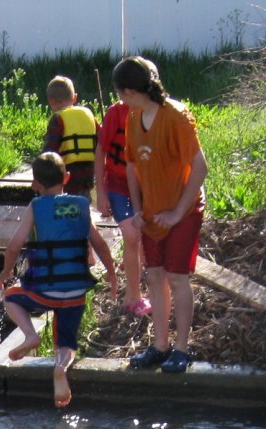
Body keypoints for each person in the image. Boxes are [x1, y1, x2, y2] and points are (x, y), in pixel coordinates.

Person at [0, 151, 118, 409]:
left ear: (34, 185)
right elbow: (101, 246)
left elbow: (13, 247)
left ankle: (30, 335)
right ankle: (61, 367)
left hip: (43, 291)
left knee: (9, 297)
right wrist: (112, 274)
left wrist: (5, 273)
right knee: (66, 341)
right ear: (67, 177)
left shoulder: (35, 206)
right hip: (75, 291)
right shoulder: (82, 205)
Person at [115, 56, 208, 375]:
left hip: (183, 210)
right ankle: (160, 345)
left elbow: (200, 167)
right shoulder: (133, 117)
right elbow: (131, 166)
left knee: (177, 278)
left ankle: (182, 348)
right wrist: (138, 209)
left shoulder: (177, 116)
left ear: (128, 90)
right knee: (154, 276)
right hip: (152, 213)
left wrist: (177, 212)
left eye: (120, 94)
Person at [94, 62, 155, 319]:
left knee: (145, 239)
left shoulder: (155, 114)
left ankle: (152, 291)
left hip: (147, 188)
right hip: (118, 186)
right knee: (131, 236)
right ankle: (133, 295)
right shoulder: (115, 114)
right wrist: (101, 192)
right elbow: (101, 152)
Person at [41, 76, 99, 198]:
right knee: (83, 201)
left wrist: (41, 170)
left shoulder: (58, 119)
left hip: (67, 172)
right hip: (88, 171)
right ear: (75, 98)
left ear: (51, 100)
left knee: (66, 203)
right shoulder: (88, 115)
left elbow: (50, 150)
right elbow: (101, 138)